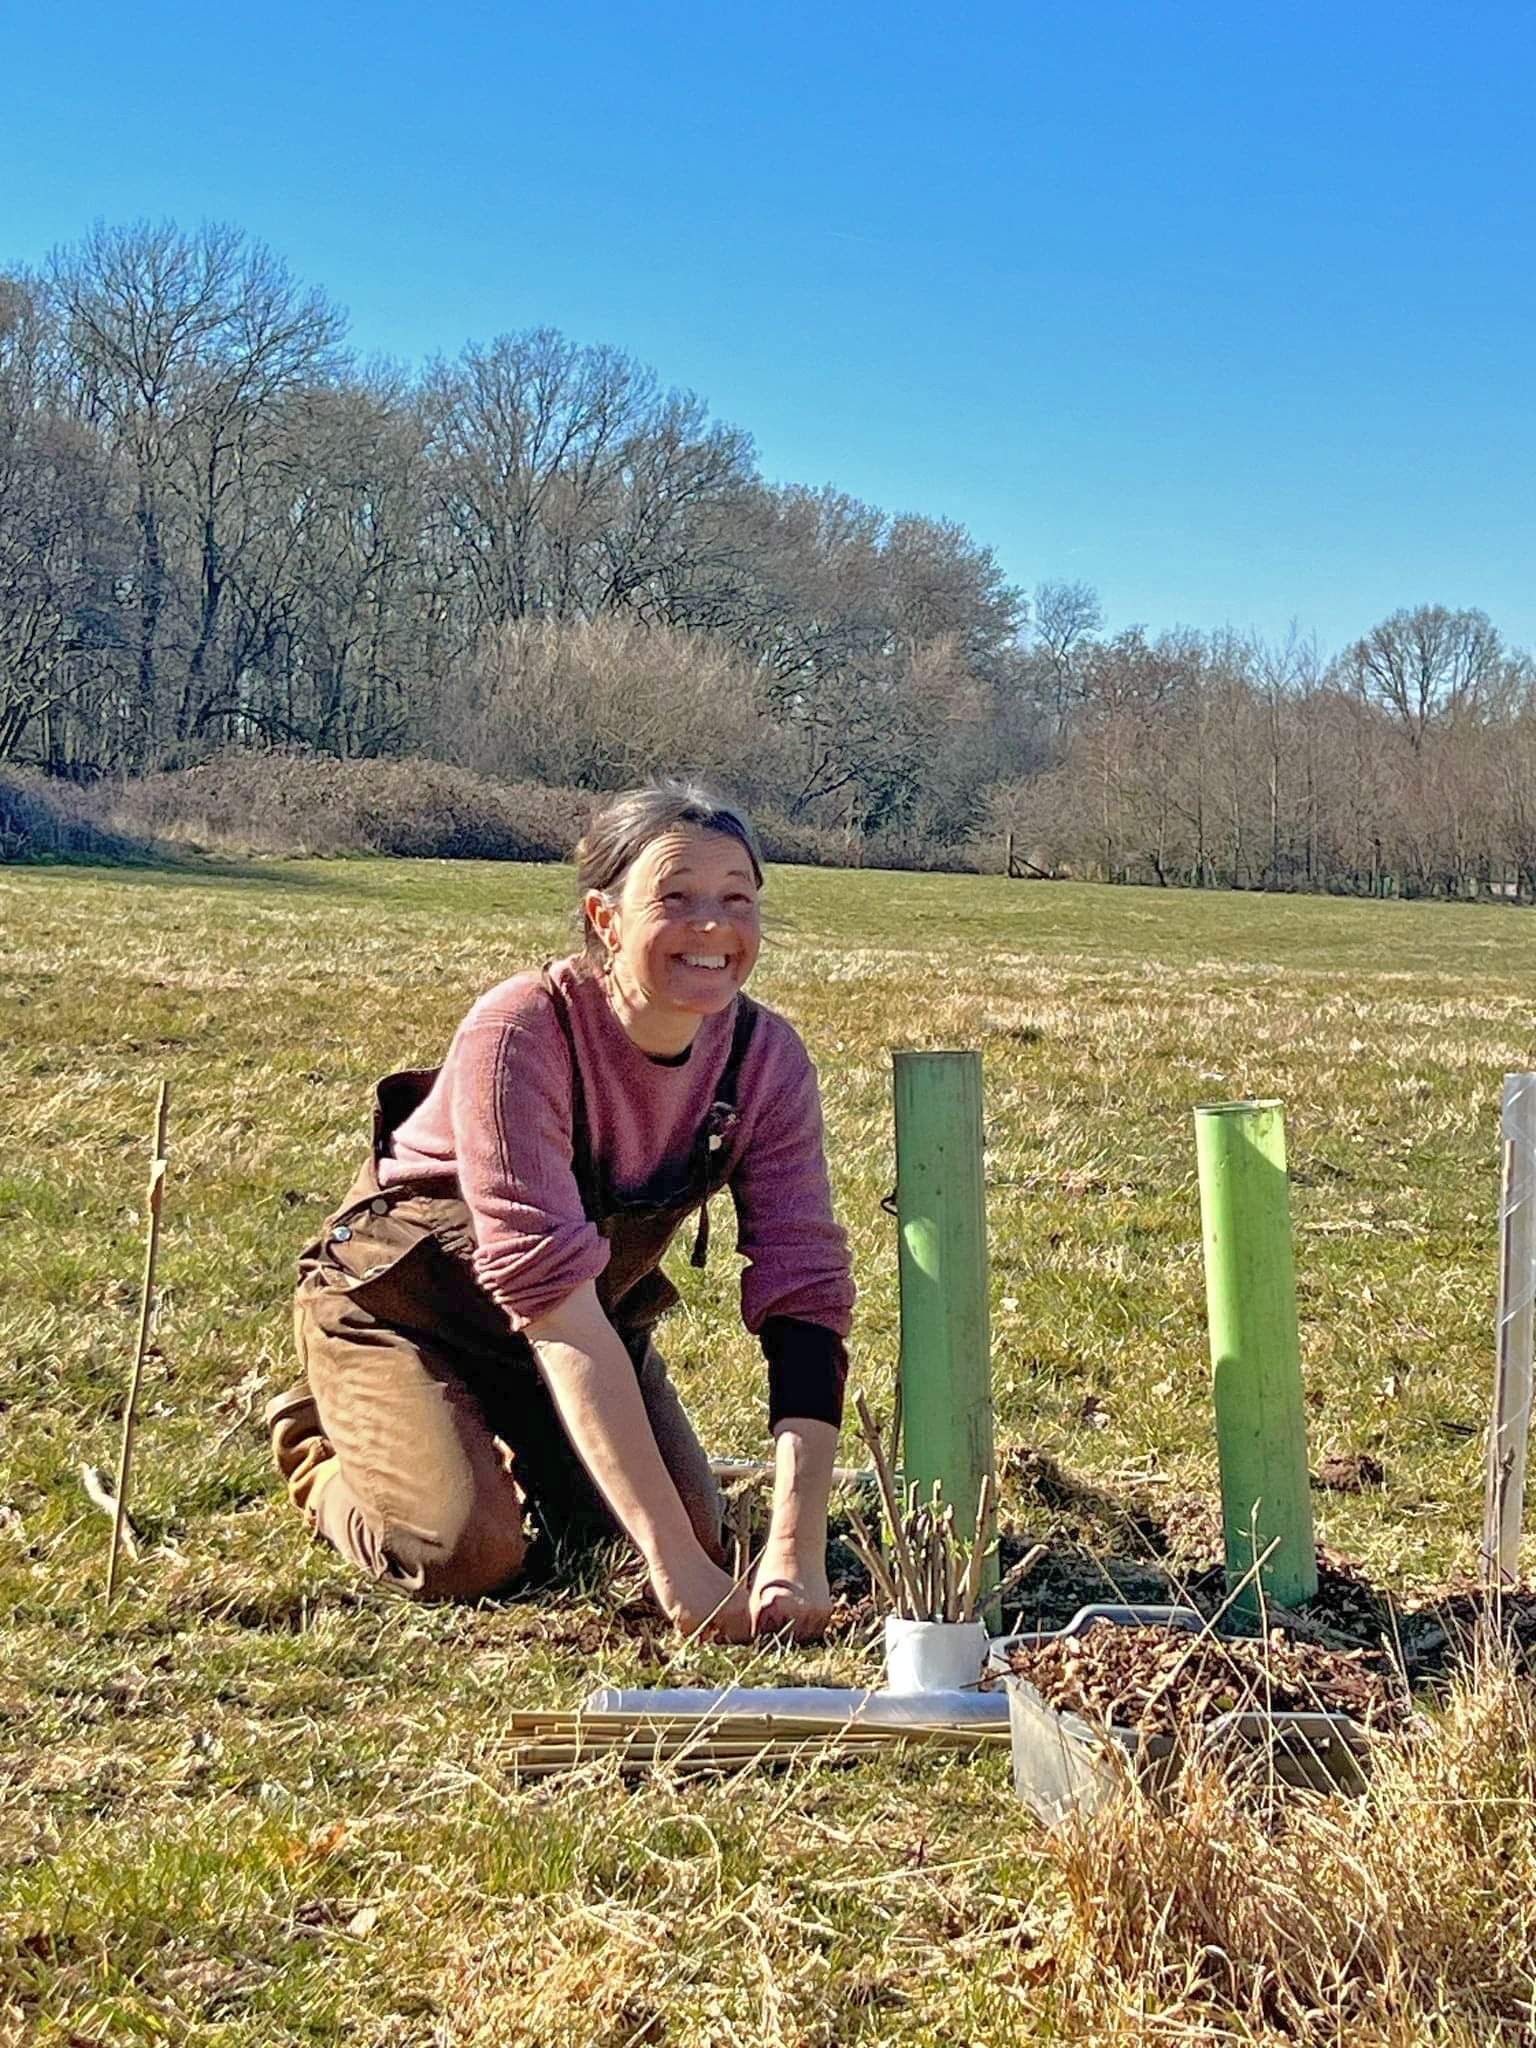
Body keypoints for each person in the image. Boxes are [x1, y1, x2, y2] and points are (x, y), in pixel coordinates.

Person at [266, 781, 855, 1641]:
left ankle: (484, 1440)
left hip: (579, 1328)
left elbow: (805, 1298)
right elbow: (554, 1303)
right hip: (408, 1309)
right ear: (605, 918)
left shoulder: (766, 1060)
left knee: (699, 1536)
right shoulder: (521, 1031)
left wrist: (793, 1548)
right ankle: (321, 1440)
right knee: (463, 1554)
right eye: (675, 898)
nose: (712, 927)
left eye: (738, 899)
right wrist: (674, 1569)